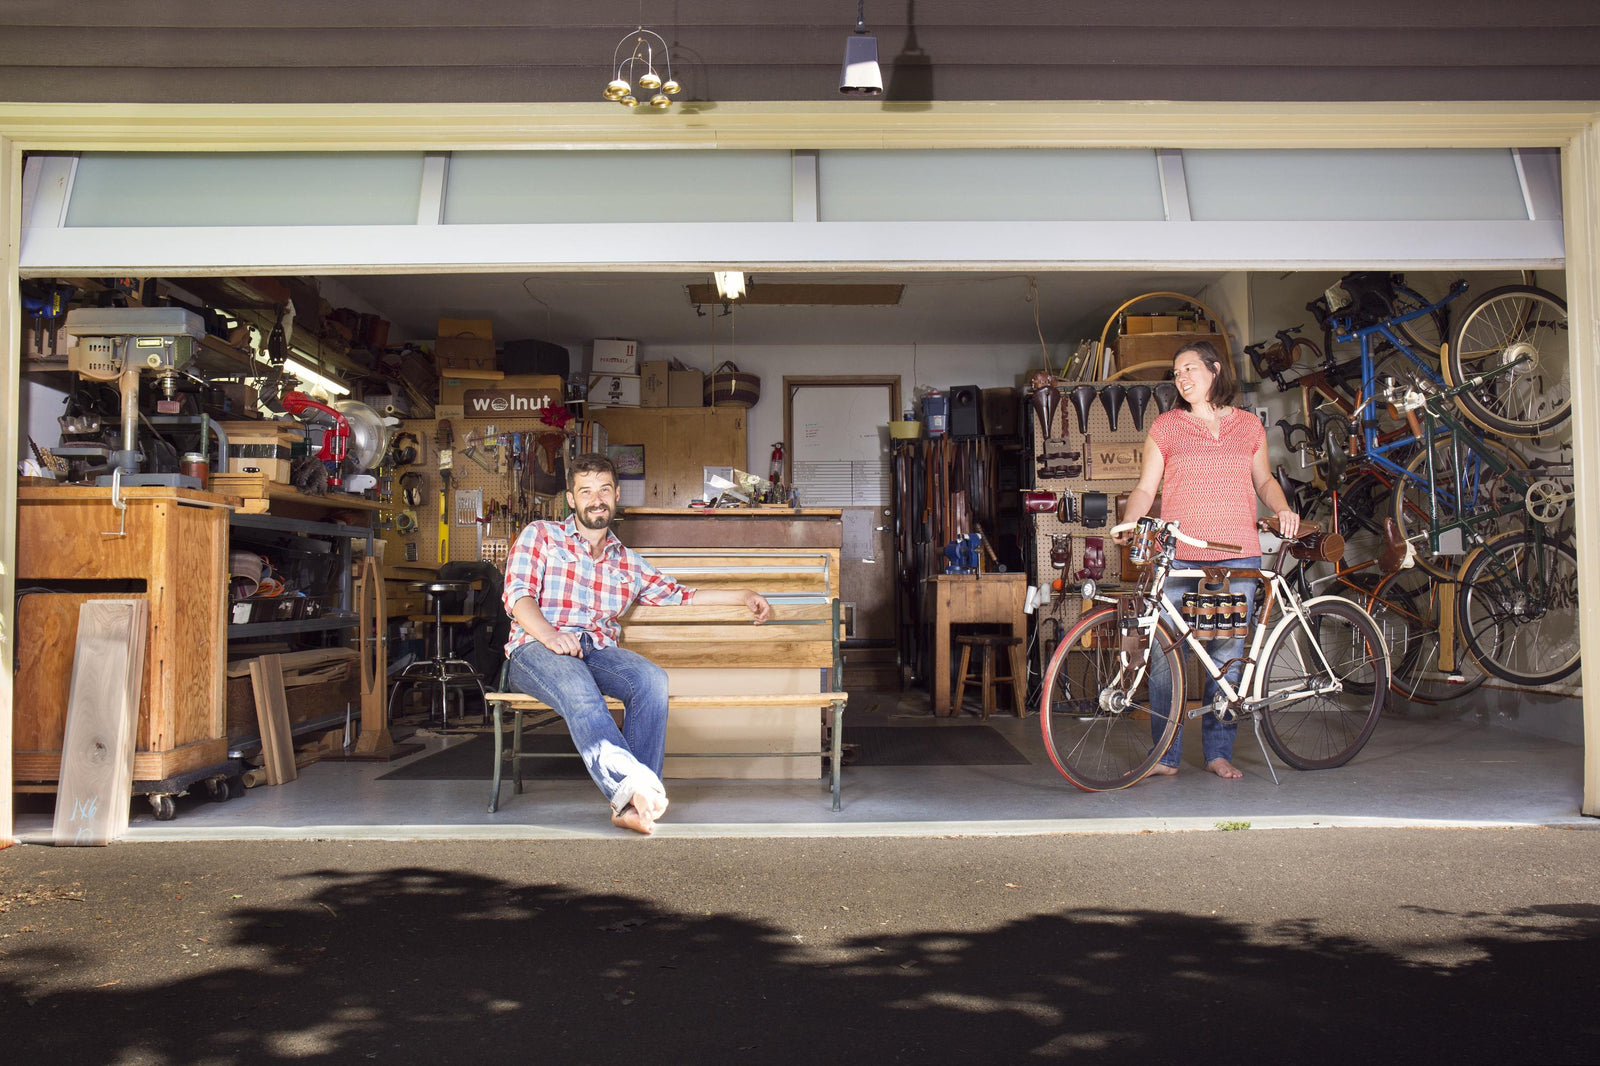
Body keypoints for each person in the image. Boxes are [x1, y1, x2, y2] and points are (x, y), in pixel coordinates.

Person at [502, 453, 771, 833]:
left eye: (604, 490)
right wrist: (550, 634)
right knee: (579, 688)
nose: (596, 499)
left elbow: (683, 595)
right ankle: (636, 789)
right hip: (535, 648)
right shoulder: (542, 535)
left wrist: (743, 595)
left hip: (594, 650)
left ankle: (632, 807)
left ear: (615, 495)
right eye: (586, 491)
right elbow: (517, 596)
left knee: (651, 680)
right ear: (571, 498)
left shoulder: (629, 563)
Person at [1117, 341, 1300, 780]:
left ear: (1215, 370)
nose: (1181, 378)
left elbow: (1264, 480)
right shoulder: (1166, 427)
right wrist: (1130, 522)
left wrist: (1283, 509)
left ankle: (1219, 751)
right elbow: (1146, 488)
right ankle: (1166, 754)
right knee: (1165, 658)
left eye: (1189, 368)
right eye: (1176, 372)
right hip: (1179, 558)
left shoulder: (1249, 427)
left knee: (1228, 655)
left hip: (1239, 558)